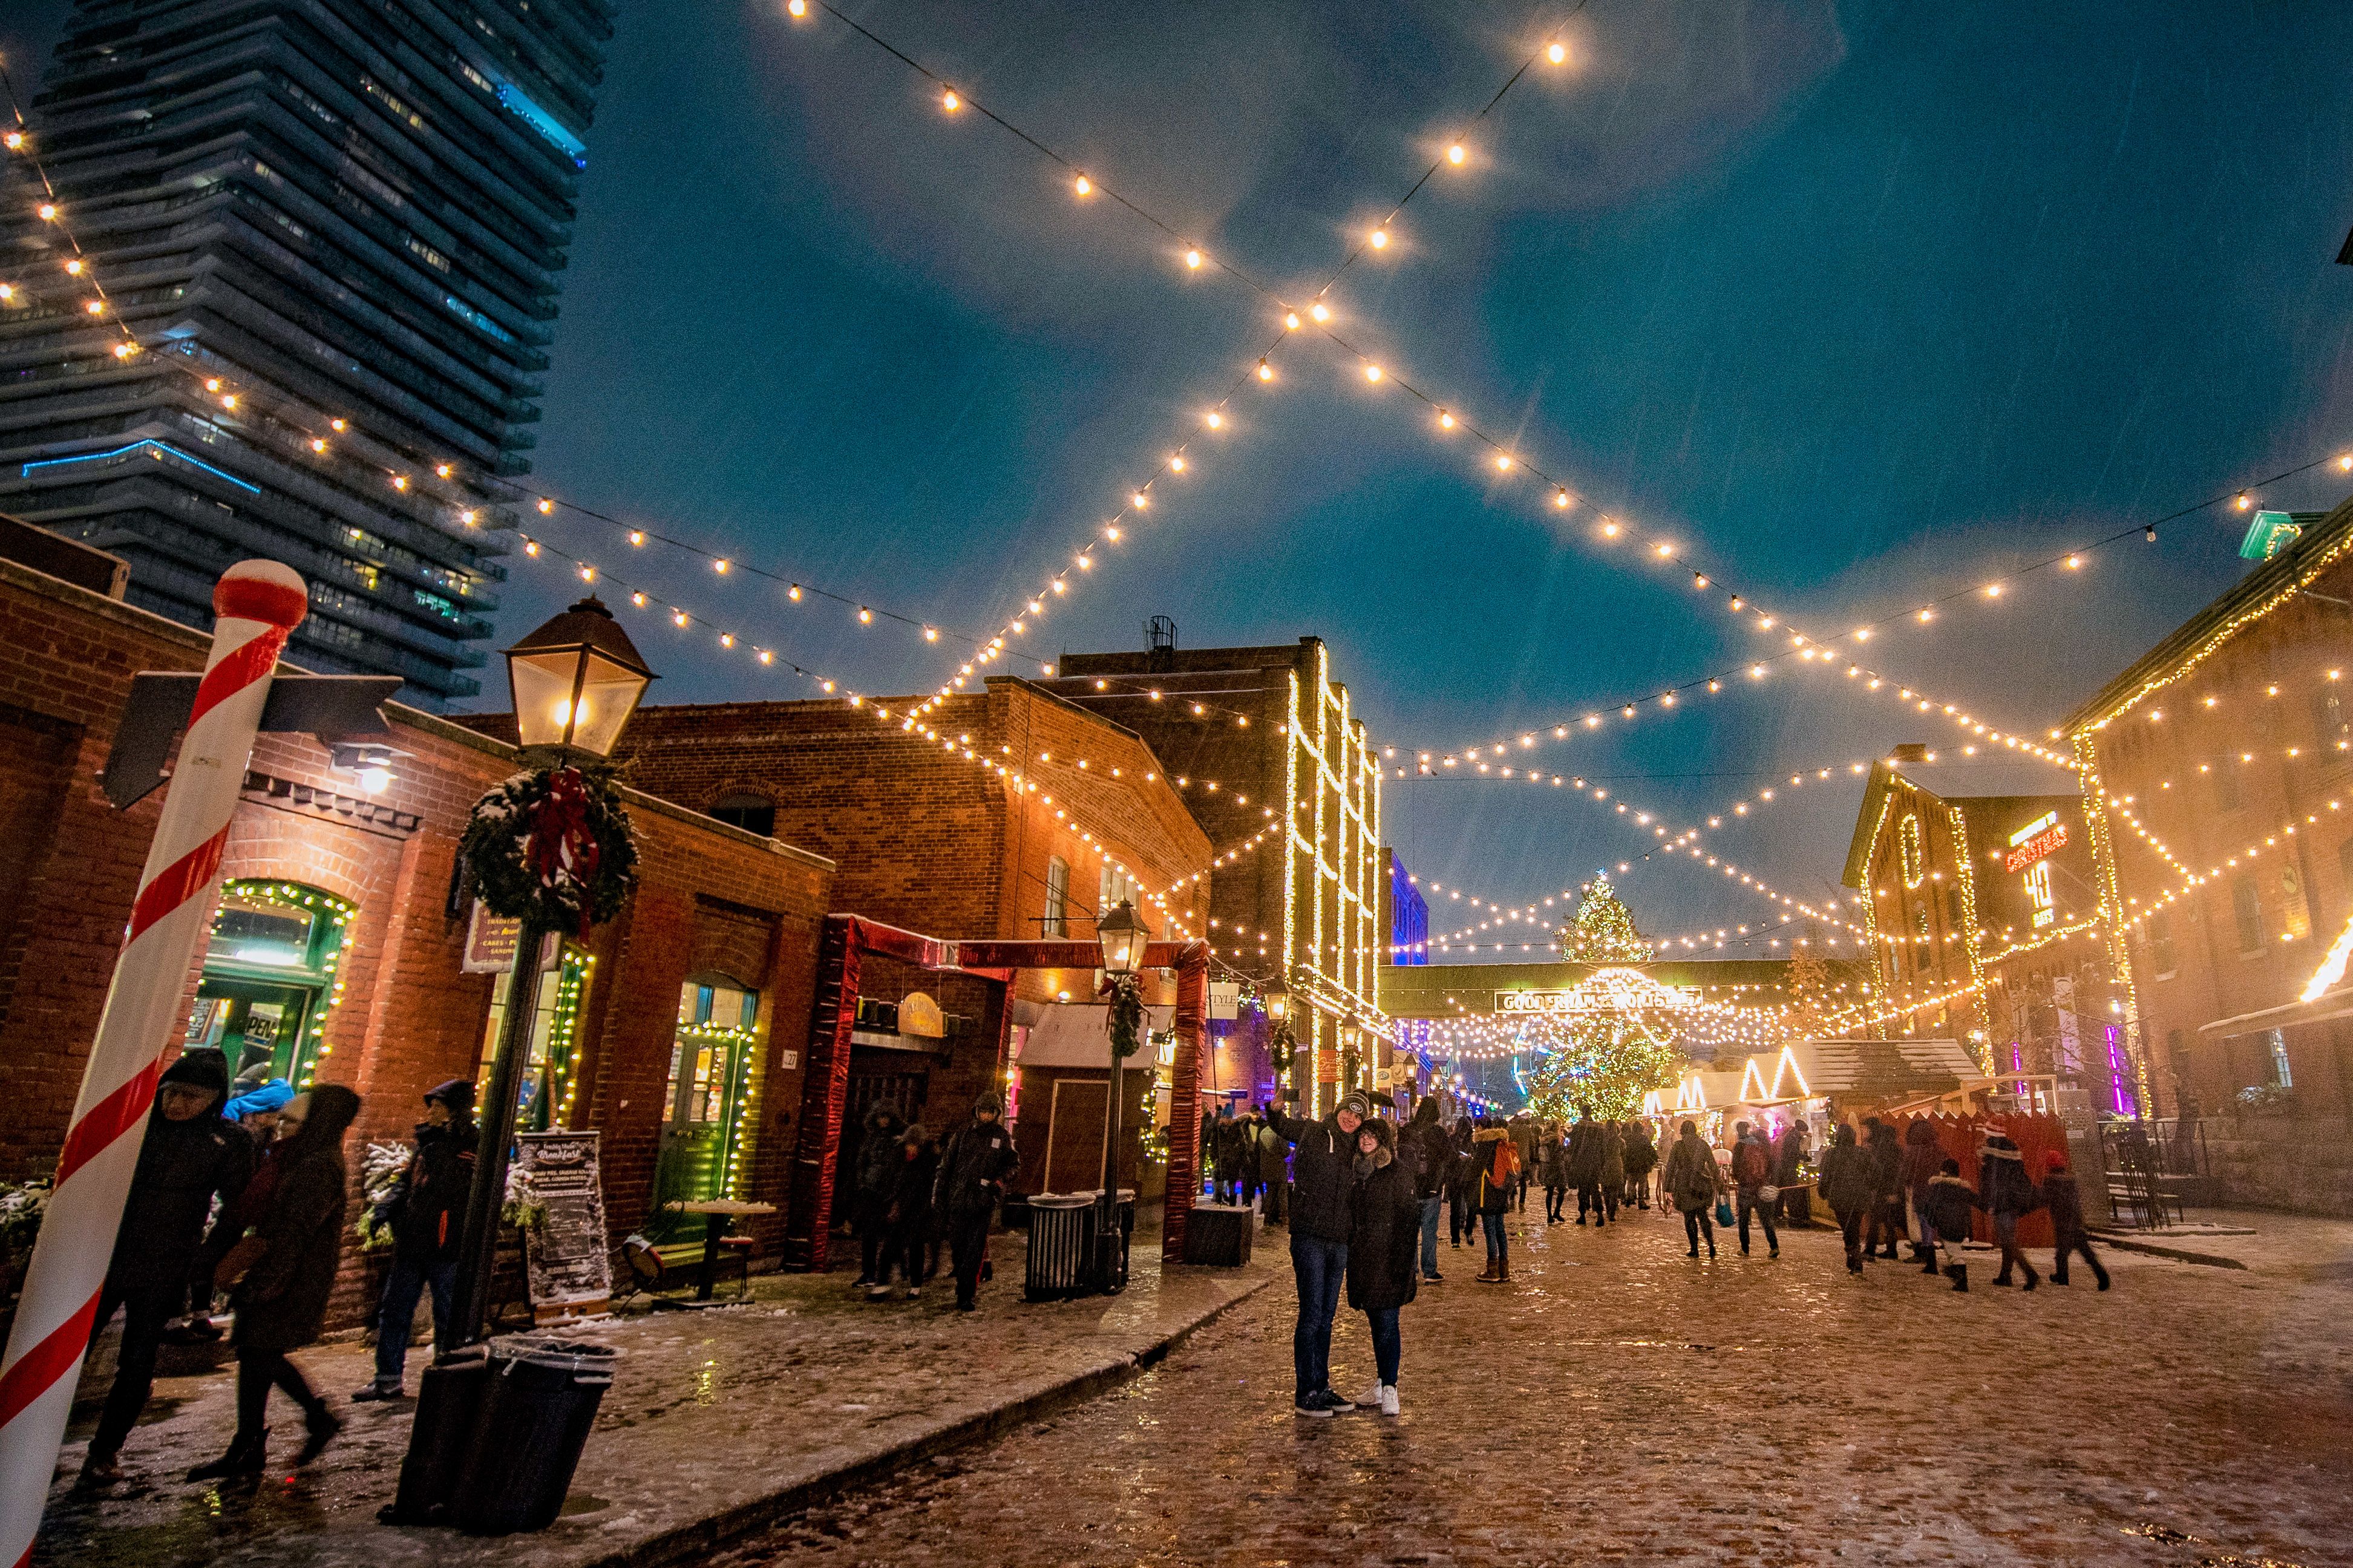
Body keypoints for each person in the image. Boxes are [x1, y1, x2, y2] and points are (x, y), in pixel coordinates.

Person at [77, 1051, 250, 1486]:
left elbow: (238, 1206)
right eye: (170, 1092)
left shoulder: (226, 1141)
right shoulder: (139, 1128)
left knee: (137, 1361)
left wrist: (209, 1257)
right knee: (72, 1345)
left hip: (165, 1261)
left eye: (190, 1096)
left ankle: (105, 1451)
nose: (176, 1103)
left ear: (213, 1099)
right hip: (105, 1252)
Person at [187, 1085, 361, 1481]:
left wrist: (267, 1282)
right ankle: (267, 1436)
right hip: (281, 1273)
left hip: (290, 1278)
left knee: (260, 1352)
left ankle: (291, 1428)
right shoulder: (297, 1159)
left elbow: (294, 1232)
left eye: (292, 1121)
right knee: (256, 1354)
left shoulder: (318, 1166)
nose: (281, 1128)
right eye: (282, 1119)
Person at [351, 1079, 475, 1402]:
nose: (431, 1112)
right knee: (394, 1310)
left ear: (454, 1111)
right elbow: (408, 1181)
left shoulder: (469, 1144)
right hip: (413, 1239)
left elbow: (448, 1185)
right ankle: (387, 1377)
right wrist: (384, 1212)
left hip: (444, 1241)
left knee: (446, 1314)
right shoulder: (428, 1142)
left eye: (438, 1106)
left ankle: (446, 1378)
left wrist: (438, 1141)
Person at [1263, 1089, 1365, 1416]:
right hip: (1310, 1237)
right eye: (1348, 1111)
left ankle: (1321, 1385)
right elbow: (1285, 1127)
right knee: (1311, 1314)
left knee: (1326, 1318)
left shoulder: (1357, 1149)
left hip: (1339, 1241)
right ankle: (1305, 1391)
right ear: (1338, 1111)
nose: (1351, 1118)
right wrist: (1275, 1112)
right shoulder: (1316, 1132)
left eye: (1358, 1115)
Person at [1346, 1117, 1418, 1416]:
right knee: (1376, 1322)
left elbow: (1408, 1220)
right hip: (1364, 1259)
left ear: (1383, 1140)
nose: (1365, 1140)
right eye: (1362, 1135)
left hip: (1389, 1258)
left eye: (1372, 1135)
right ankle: (1381, 1382)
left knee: (1388, 1323)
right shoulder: (1355, 1172)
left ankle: (1391, 1387)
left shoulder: (1397, 1173)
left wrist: (1404, 1263)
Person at [935, 1095, 1019, 1312]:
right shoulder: (963, 1135)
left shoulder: (1001, 1137)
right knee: (958, 1247)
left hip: (983, 1201)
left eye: (991, 1112)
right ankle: (963, 1279)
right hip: (959, 1197)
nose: (987, 1115)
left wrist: (998, 1182)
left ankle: (966, 1294)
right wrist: (941, 1195)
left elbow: (1012, 1165)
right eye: (984, 1111)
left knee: (975, 1249)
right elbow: (947, 1166)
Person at [872, 1123, 938, 1299]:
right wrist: (892, 1203)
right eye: (908, 1144)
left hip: (918, 1212)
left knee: (916, 1249)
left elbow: (926, 1191)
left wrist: (922, 1212)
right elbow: (894, 1183)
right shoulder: (899, 1160)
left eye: (914, 1145)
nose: (911, 1149)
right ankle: (882, 1283)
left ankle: (916, 1285)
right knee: (889, 1248)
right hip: (901, 1210)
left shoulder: (927, 1164)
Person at [1975, 1131, 2043, 1289]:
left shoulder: (1992, 1159)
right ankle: (2005, 1275)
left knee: (2007, 1240)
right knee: (2007, 1240)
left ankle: (2029, 1273)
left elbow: (1989, 1184)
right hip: (2013, 1201)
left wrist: (1988, 1203)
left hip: (2002, 1202)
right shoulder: (2011, 1154)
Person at [851, 1103, 906, 1289]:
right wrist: (863, 1184)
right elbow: (862, 1162)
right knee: (869, 1234)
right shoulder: (871, 1139)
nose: (883, 1120)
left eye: (886, 1117)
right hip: (870, 1191)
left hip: (888, 1192)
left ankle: (892, 1270)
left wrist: (894, 1191)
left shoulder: (897, 1140)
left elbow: (899, 1167)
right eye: (880, 1116)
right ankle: (868, 1272)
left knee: (891, 1235)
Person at [2042, 1150, 2109, 1289]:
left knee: (2062, 1253)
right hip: (2075, 1221)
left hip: (2062, 1222)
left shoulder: (2051, 1182)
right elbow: (2074, 1202)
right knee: (2085, 1252)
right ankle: (2102, 1276)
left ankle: (2063, 1278)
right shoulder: (2070, 1181)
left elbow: (2043, 1199)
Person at [1818, 1123, 1875, 1275]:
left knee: (1848, 1228)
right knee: (1853, 1227)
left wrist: (1823, 1191)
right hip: (1859, 1198)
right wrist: (1868, 1187)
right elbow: (1876, 1174)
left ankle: (1854, 1258)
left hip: (1840, 1198)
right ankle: (1853, 1257)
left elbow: (1825, 1176)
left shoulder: (1832, 1155)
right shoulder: (1862, 1153)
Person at [1661, 1120, 1722, 1258]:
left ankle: (1694, 1248)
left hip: (1684, 1185)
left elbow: (1670, 1168)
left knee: (1689, 1218)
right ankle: (1711, 1244)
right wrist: (1718, 1181)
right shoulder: (1703, 1145)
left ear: (1682, 1131)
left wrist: (1667, 1187)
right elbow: (1712, 1165)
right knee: (1703, 1216)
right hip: (1701, 1185)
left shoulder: (1678, 1146)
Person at [1406, 1097, 1449, 1282]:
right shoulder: (1438, 1133)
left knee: (1410, 1231)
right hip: (1432, 1187)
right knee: (1430, 1231)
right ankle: (1429, 1270)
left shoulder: (1407, 1130)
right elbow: (1450, 1158)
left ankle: (1410, 1268)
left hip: (1410, 1187)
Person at [1471, 1118, 1519, 1282]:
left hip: (1489, 1192)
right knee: (1500, 1230)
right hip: (1502, 1192)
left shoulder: (1484, 1145)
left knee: (1490, 1230)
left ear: (1480, 1127)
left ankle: (1492, 1271)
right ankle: (1504, 1270)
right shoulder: (1501, 1143)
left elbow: (1475, 1169)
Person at [1898, 1120, 1945, 1274]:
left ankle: (1930, 1260)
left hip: (1918, 1191)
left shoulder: (1912, 1152)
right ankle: (1946, 1259)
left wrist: (1903, 1185)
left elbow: (1906, 1173)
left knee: (1921, 1224)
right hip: (1936, 1191)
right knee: (1931, 1224)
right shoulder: (1938, 1150)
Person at [1924, 1158, 1977, 1290]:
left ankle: (1961, 1280)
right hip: (1960, 1225)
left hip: (1947, 1224)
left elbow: (1930, 1206)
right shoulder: (1963, 1189)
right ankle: (1957, 1275)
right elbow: (1976, 1201)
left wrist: (1932, 1221)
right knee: (1954, 1251)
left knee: (1954, 1253)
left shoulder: (1939, 1188)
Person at [1730, 1120, 1779, 1258]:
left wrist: (1740, 1178)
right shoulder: (1762, 1147)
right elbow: (1772, 1165)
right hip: (1761, 1186)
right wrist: (1769, 1181)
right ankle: (1774, 1246)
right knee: (1765, 1218)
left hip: (1746, 1186)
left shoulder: (1740, 1146)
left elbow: (1735, 1167)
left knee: (1744, 1219)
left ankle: (1745, 1249)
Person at [1863, 1117, 1905, 1260]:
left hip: (1883, 1190)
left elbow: (1885, 1172)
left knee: (1877, 1220)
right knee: (1888, 1220)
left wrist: (1889, 1190)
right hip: (1886, 1189)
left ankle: (1871, 1250)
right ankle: (1891, 1250)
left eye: (1867, 1129)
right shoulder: (1891, 1149)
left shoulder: (1883, 1150)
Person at [1566, 1111, 1606, 1225]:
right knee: (1595, 1189)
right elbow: (1602, 1148)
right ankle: (1599, 1215)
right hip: (1594, 1163)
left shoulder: (1578, 1128)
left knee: (1583, 1190)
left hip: (1581, 1163)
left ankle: (1583, 1215)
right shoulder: (1597, 1129)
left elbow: (1570, 1144)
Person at [1445, 1112, 1478, 1249]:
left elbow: (1476, 1157)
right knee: (1455, 1209)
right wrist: (1459, 1158)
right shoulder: (1452, 1140)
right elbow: (1448, 1158)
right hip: (1457, 1178)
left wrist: (1470, 1158)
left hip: (1467, 1177)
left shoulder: (1472, 1141)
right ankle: (1455, 1239)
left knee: (1471, 1207)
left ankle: (1467, 1231)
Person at [1776, 1123, 1813, 1227]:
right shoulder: (1794, 1137)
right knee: (1791, 1191)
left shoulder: (1790, 1135)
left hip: (1784, 1168)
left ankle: (1778, 1213)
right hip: (1788, 1168)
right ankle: (1794, 1217)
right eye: (1804, 1132)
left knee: (1783, 1191)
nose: (1804, 1135)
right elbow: (1792, 1153)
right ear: (1801, 1131)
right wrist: (1804, 1157)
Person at [1255, 1112, 1289, 1226]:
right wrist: (1290, 1150)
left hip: (1266, 1167)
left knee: (1270, 1192)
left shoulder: (1264, 1132)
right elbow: (1285, 1151)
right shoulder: (1280, 1133)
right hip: (1278, 1167)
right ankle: (1283, 1217)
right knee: (1282, 1193)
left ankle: (1268, 1216)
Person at [1623, 1120, 1658, 1210]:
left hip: (1631, 1164)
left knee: (1631, 1182)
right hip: (1642, 1165)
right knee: (1642, 1183)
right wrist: (1655, 1159)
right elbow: (1650, 1150)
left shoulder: (1628, 1138)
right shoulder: (1644, 1139)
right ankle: (1641, 1201)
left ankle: (1629, 1198)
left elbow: (1625, 1151)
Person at [1537, 1121, 1568, 1223]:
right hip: (1558, 1166)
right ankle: (1557, 1212)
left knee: (1550, 1192)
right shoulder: (1557, 1138)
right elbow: (1558, 1152)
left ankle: (1549, 1215)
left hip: (1547, 1166)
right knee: (1562, 1190)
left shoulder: (1544, 1138)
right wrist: (1564, 1146)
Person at [1506, 1112, 1537, 1212]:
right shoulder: (1527, 1129)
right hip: (1524, 1159)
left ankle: (1511, 1201)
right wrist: (1532, 1157)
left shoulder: (1510, 1129)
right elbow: (1532, 1144)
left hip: (1512, 1158)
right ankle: (1521, 1203)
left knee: (1512, 1180)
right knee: (1523, 1181)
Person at [1597, 1120, 1626, 1224]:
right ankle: (1612, 1213)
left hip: (1605, 1166)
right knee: (1614, 1190)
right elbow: (1623, 1153)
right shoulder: (1619, 1140)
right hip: (1616, 1165)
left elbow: (1599, 1154)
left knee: (1606, 1189)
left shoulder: (1602, 1141)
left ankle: (1609, 1210)